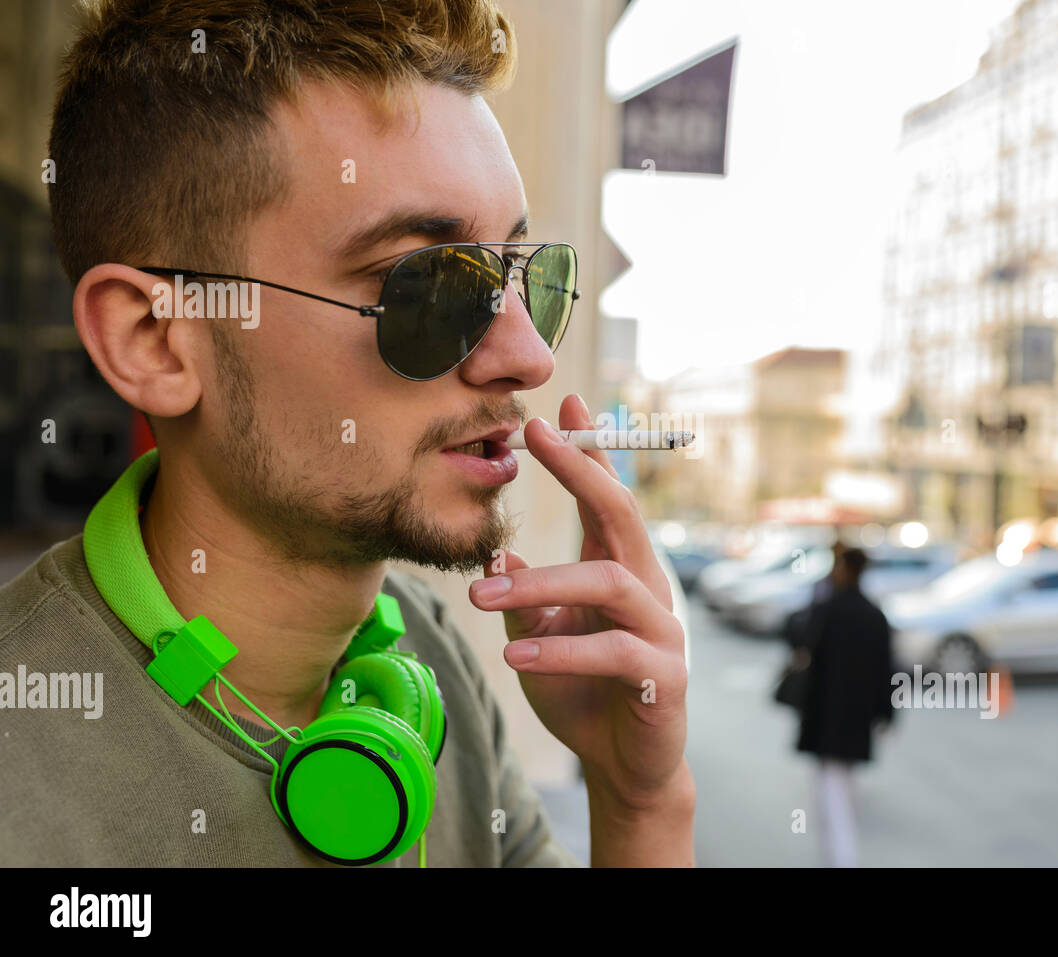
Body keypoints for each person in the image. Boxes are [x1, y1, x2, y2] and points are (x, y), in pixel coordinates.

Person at [0, 0, 693, 867]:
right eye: (427, 283)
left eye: (527, 277)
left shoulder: (425, 655)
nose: (525, 358)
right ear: (156, 338)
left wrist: (640, 798)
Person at [794, 548, 895, 867]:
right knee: (840, 784)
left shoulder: (829, 608)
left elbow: (799, 635)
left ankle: (840, 859)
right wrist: (886, 713)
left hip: (828, 716)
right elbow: (887, 671)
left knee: (832, 790)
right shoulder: (874, 615)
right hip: (856, 717)